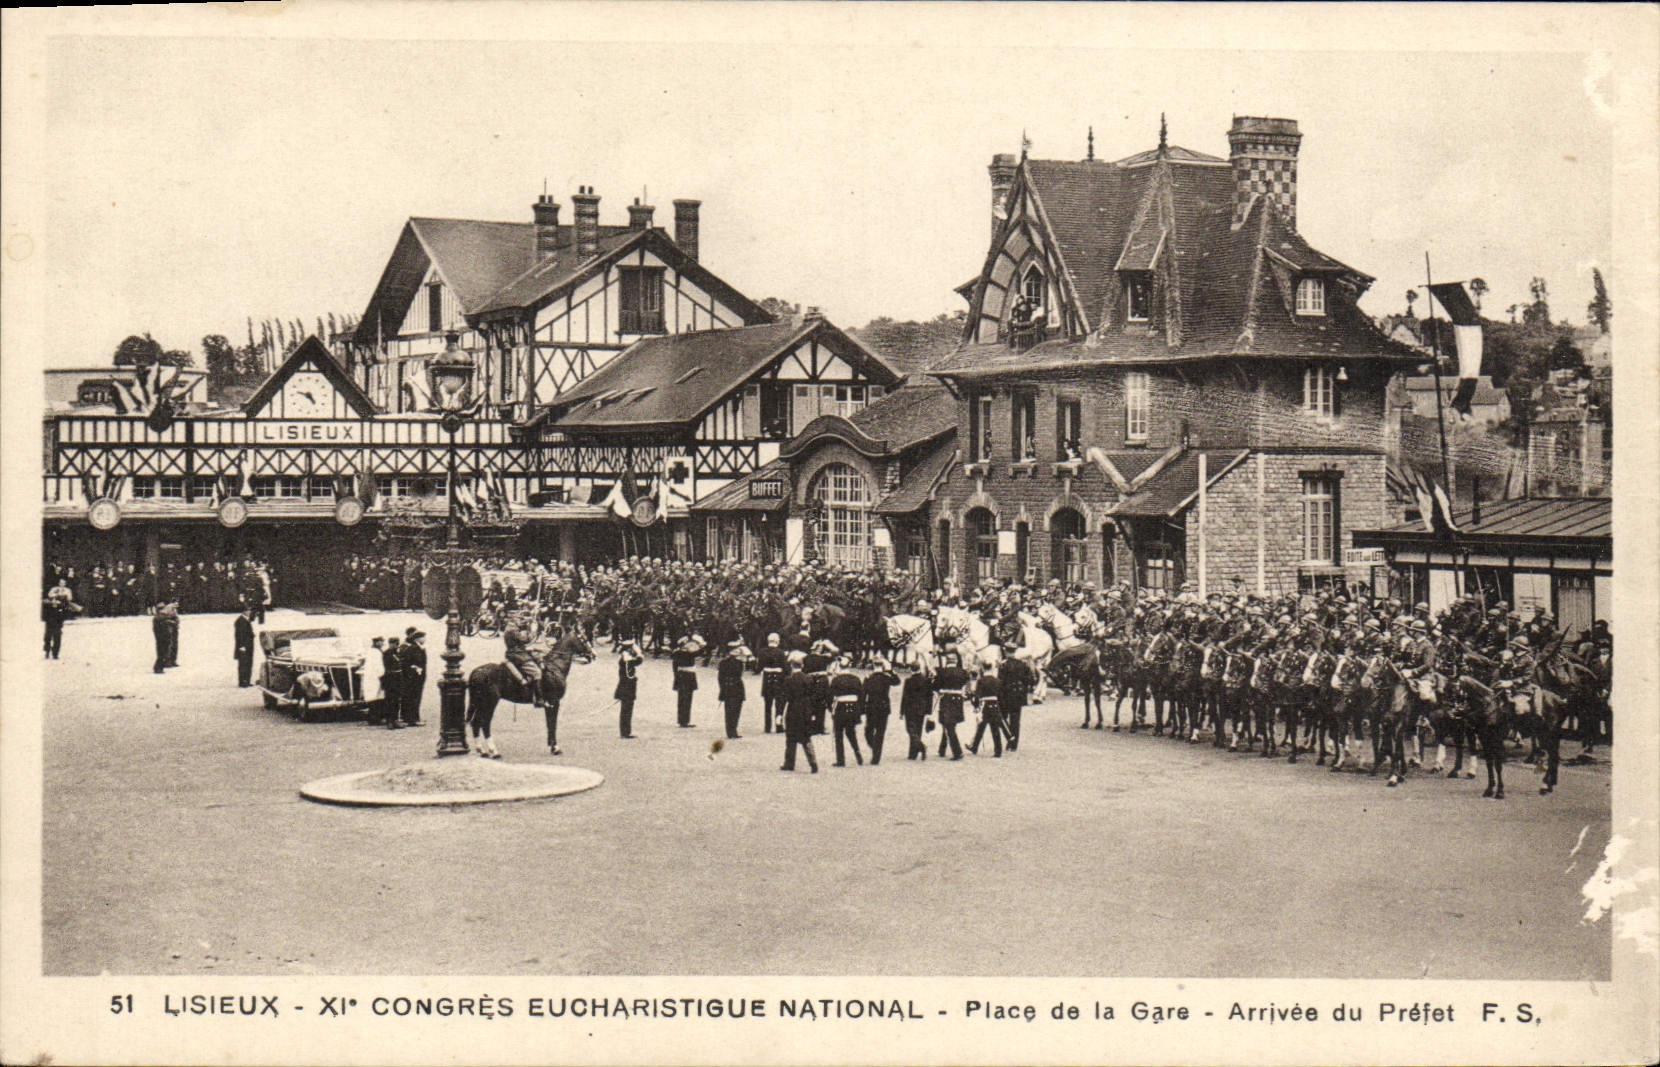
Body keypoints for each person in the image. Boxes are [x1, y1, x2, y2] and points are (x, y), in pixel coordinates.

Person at [779, 651, 818, 773]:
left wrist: (779, 714)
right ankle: (813, 763)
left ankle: (789, 763)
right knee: (806, 738)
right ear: (802, 666)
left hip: (793, 709)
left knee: (790, 737)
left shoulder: (788, 680)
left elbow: (783, 698)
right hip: (805, 710)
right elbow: (813, 697)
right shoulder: (808, 679)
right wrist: (813, 712)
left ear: (791, 666)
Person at [861, 656, 899, 765]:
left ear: (873, 665)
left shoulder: (868, 678)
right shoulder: (886, 677)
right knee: (880, 732)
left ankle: (875, 750)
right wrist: (890, 670)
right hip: (884, 707)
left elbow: (863, 694)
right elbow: (897, 681)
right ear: (882, 666)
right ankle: (876, 754)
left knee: (868, 731)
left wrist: (862, 709)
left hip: (871, 708)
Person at [829, 656, 865, 767]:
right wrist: (860, 710)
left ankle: (841, 760)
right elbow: (862, 696)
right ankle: (857, 753)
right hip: (853, 707)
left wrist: (831, 709)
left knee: (839, 734)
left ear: (840, 666)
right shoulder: (855, 679)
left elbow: (830, 696)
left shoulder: (836, 680)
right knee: (851, 733)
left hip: (840, 707)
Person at [933, 650, 969, 760]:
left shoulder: (942, 672)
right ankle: (942, 749)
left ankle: (957, 752)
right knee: (949, 724)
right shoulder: (962, 672)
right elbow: (966, 683)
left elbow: (935, 687)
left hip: (946, 699)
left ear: (946, 661)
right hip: (958, 699)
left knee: (948, 725)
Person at [1000, 650, 1035, 752]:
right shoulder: (1022, 664)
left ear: (1006, 652)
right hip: (1018, 696)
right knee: (1015, 720)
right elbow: (1030, 679)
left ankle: (1009, 738)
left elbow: (1001, 681)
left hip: (1006, 695)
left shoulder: (1004, 665)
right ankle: (1014, 744)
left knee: (1002, 718)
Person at [967, 663, 1005, 757]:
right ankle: (998, 750)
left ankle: (974, 747)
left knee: (981, 728)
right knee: (995, 728)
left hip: (985, 705)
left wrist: (976, 706)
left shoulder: (981, 681)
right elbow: (1001, 696)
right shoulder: (997, 680)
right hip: (994, 704)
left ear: (983, 669)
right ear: (991, 668)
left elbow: (977, 695)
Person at [900, 663, 934, 761]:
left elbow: (905, 697)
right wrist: (929, 711)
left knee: (910, 730)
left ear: (911, 669)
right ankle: (913, 753)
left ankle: (920, 747)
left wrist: (901, 712)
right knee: (918, 730)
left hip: (910, 708)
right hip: (922, 709)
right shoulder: (926, 680)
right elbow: (929, 696)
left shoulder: (908, 681)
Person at [717, 638, 748, 740]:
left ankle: (729, 731)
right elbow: (740, 674)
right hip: (737, 687)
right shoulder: (739, 662)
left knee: (728, 710)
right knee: (736, 709)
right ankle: (733, 730)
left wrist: (722, 689)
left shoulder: (722, 663)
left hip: (726, 687)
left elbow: (720, 678)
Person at [671, 633, 704, 728]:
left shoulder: (677, 653)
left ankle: (682, 720)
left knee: (682, 699)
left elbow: (674, 667)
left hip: (680, 676)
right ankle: (685, 720)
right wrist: (700, 643)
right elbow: (700, 651)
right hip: (688, 676)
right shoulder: (687, 653)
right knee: (687, 699)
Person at [757, 632, 788, 733]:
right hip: (778, 680)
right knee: (779, 704)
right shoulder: (781, 652)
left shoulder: (762, 652)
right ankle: (778, 725)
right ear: (777, 641)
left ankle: (767, 726)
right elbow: (786, 668)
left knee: (767, 704)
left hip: (767, 680)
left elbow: (758, 667)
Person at [42, 581, 80, 660]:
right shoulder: (54, 589)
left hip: (59, 615)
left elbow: (69, 598)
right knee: (48, 636)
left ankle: (55, 653)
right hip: (50, 617)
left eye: (63, 583)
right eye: (60, 583)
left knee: (57, 636)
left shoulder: (67, 590)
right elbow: (50, 595)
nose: (62, 584)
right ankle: (47, 651)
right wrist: (56, 597)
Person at [399, 629, 428, 727]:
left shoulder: (418, 648)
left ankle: (413, 717)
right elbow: (408, 662)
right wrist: (414, 668)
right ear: (418, 638)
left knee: (415, 697)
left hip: (417, 676)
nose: (424, 639)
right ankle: (413, 719)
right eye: (423, 637)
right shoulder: (413, 648)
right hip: (414, 677)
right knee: (414, 697)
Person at [615, 639, 643, 738]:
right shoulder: (627, 659)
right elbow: (639, 661)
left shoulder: (626, 657)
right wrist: (638, 653)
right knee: (626, 710)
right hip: (627, 687)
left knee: (626, 709)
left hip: (625, 686)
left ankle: (626, 731)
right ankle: (625, 732)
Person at [382, 636, 404, 729]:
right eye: (393, 643)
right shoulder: (387, 653)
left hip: (397, 678)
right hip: (390, 679)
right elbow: (386, 667)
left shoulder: (397, 653)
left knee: (397, 700)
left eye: (396, 643)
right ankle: (389, 721)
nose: (394, 645)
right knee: (389, 700)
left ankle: (395, 719)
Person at [365, 636, 387, 723]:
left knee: (376, 696)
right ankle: (375, 718)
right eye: (381, 641)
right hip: (375, 677)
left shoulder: (373, 651)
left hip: (373, 677)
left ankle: (376, 717)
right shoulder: (375, 653)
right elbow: (379, 666)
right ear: (376, 642)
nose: (382, 643)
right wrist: (382, 676)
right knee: (375, 697)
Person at [233, 606, 256, 688]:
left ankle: (247, 680)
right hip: (244, 647)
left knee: (248, 664)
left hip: (248, 646)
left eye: (250, 610)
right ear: (244, 611)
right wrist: (241, 646)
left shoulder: (246, 620)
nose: (250, 612)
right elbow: (239, 635)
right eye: (248, 610)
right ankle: (242, 682)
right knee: (243, 664)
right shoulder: (240, 621)